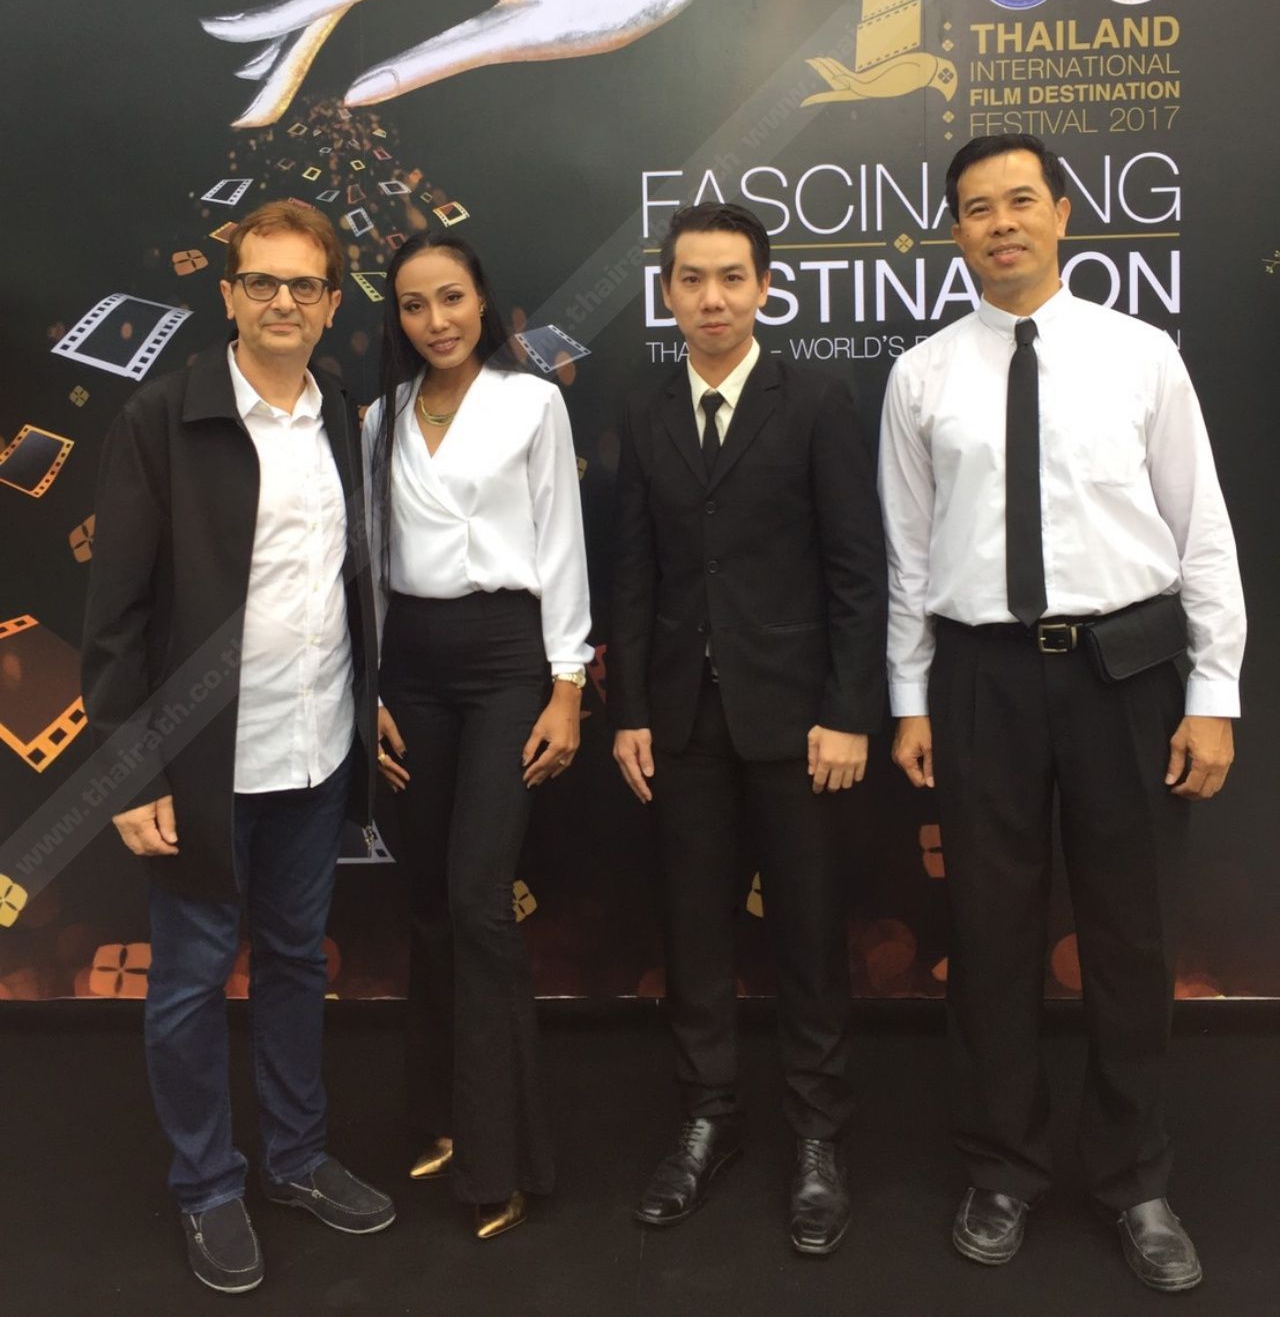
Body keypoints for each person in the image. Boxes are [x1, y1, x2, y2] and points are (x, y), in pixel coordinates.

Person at [878, 134, 1245, 1294]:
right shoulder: (921, 376)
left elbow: (1200, 533)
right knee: (987, 939)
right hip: (978, 679)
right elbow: (904, 556)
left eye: (1019, 201)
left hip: (1123, 676)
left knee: (1129, 937)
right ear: (954, 232)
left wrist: (1213, 694)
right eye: (976, 208)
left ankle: (1132, 1178)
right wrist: (906, 697)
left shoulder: (1140, 356)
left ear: (1060, 215)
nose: (1000, 224)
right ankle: (1002, 1169)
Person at [82, 201, 393, 1296]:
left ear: (331, 302)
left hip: (315, 751)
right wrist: (129, 767)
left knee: (298, 962)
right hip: (202, 767)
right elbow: (115, 615)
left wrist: (366, 700)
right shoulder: (160, 417)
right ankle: (208, 1187)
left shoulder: (338, 412)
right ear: (227, 295)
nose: (281, 302)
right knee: (189, 982)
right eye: (260, 281)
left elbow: (344, 583)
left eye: (303, 285)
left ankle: (295, 1160)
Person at [609, 201, 887, 1256]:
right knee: (694, 931)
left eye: (732, 277)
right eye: (692, 279)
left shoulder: (816, 399)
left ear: (765, 288)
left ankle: (818, 1135)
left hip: (798, 720)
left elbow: (856, 568)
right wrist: (629, 711)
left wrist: (847, 710)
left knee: (809, 933)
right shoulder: (645, 410)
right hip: (681, 720)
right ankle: (707, 1117)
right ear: (667, 293)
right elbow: (632, 574)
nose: (712, 298)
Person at [364, 231, 592, 1240]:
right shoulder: (380, 418)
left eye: (450, 298)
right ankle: (441, 1117)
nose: (436, 321)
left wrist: (566, 684)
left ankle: (505, 1156)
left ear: (483, 301)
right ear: (397, 318)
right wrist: (368, 685)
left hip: (507, 661)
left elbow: (562, 543)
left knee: (478, 902)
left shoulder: (531, 402)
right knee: (427, 905)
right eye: (414, 305)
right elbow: (370, 563)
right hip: (408, 670)